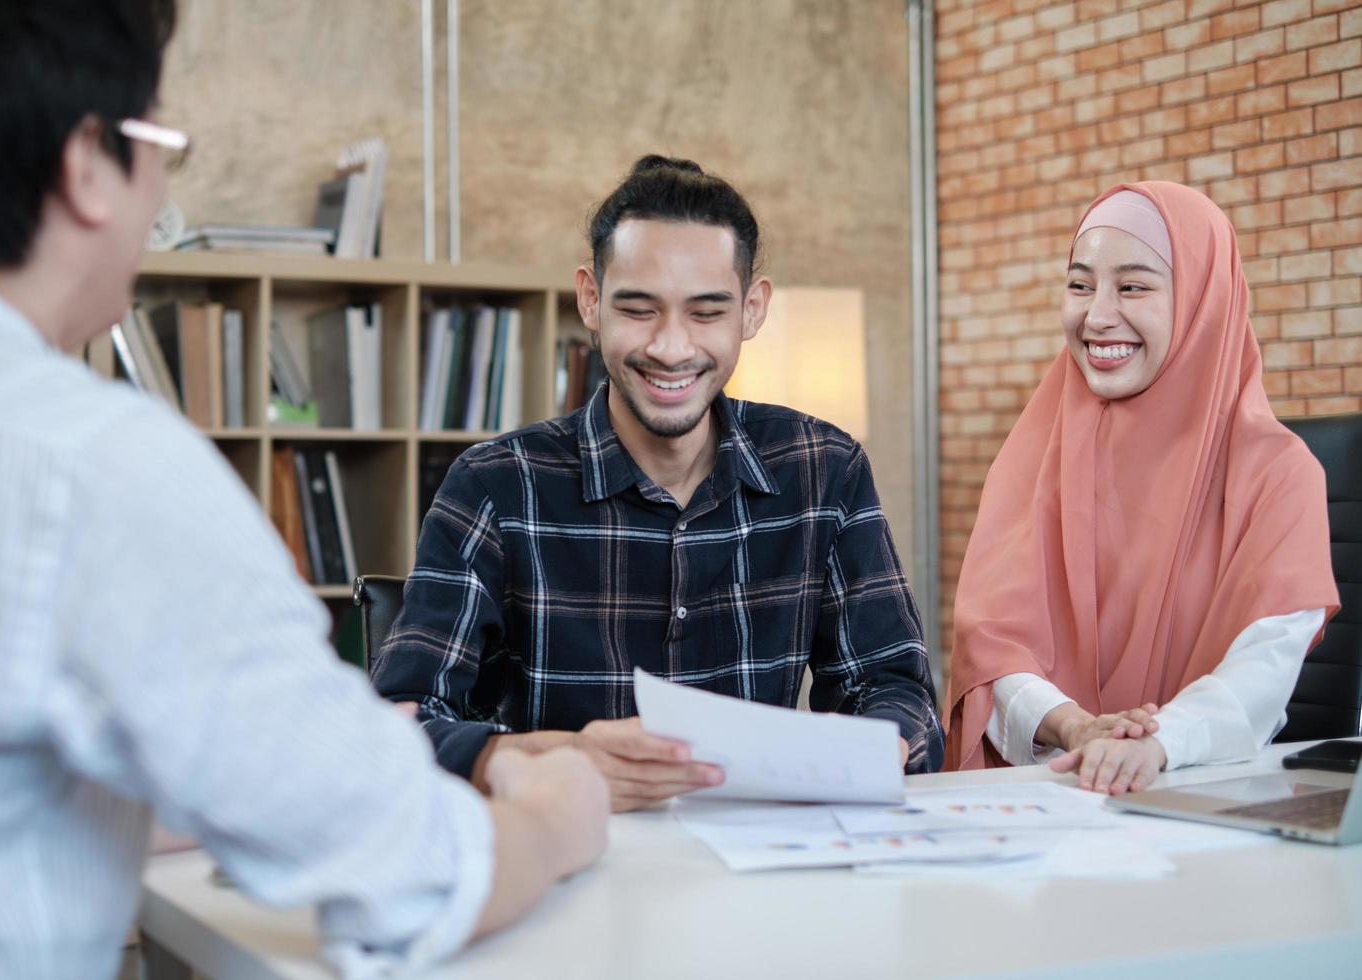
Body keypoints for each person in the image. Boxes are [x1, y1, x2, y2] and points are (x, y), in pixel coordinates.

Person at [0, 3, 608, 977]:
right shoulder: (91, 462)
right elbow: (415, 870)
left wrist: (292, 752)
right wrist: (561, 809)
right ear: (88, 162)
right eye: (163, 149)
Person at [372, 155, 944, 811]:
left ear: (753, 310)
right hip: (561, 860)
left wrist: (876, 746)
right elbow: (397, 723)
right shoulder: (496, 485)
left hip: (765, 876)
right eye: (639, 309)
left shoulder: (823, 467)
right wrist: (556, 755)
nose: (671, 348)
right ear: (590, 299)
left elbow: (896, 689)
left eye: (706, 312)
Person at [943, 181, 1339, 795]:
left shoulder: (1281, 476)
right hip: (1054, 797)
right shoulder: (1033, 457)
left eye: (1132, 286)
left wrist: (1156, 744)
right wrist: (1078, 729)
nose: (1097, 315)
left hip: (1210, 804)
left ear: (1204, 303)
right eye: (1080, 285)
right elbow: (992, 649)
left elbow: (1262, 670)